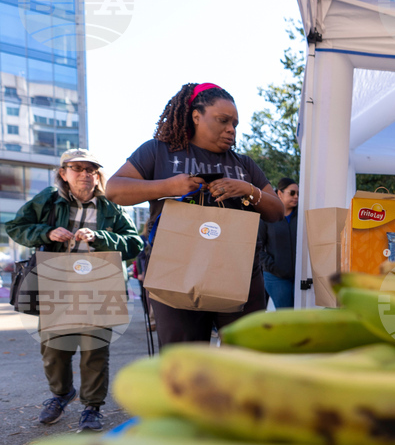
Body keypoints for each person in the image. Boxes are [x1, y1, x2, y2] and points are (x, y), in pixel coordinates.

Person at [105, 83, 284, 346]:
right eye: (223, 120)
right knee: (185, 361)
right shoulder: (159, 150)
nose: (231, 129)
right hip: (176, 269)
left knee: (246, 357)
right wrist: (169, 186)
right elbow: (114, 189)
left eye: (235, 123)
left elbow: (277, 211)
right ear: (196, 116)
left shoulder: (244, 164)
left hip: (239, 270)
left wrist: (248, 189)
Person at [5, 149, 143, 432]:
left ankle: (92, 406)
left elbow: (134, 243)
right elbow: (16, 226)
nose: (84, 174)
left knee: (95, 348)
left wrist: (101, 237)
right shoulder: (48, 200)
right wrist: (47, 232)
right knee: (55, 347)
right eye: (77, 168)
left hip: (99, 281)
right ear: (63, 174)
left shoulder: (111, 207)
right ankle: (61, 393)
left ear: (97, 175)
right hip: (57, 278)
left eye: (90, 169)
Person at [258, 177, 299, 309]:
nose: (296, 197)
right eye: (292, 193)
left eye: (298, 193)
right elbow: (257, 246)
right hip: (275, 276)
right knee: (286, 315)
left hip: (299, 276)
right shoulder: (267, 216)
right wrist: (273, 266)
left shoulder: (301, 217)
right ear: (279, 193)